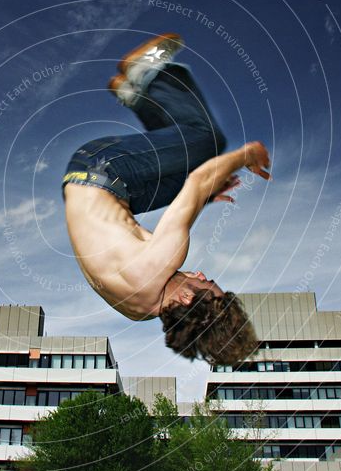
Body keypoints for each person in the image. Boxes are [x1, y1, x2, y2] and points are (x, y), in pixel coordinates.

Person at [62, 34, 271, 365]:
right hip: (106, 190)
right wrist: (204, 197)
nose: (201, 274)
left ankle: (147, 74)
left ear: (187, 298)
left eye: (207, 284)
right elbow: (153, 231)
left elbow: (197, 181)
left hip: (102, 166)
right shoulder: (139, 311)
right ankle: (134, 93)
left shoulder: (158, 266)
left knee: (208, 143)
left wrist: (246, 155)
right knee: (202, 175)